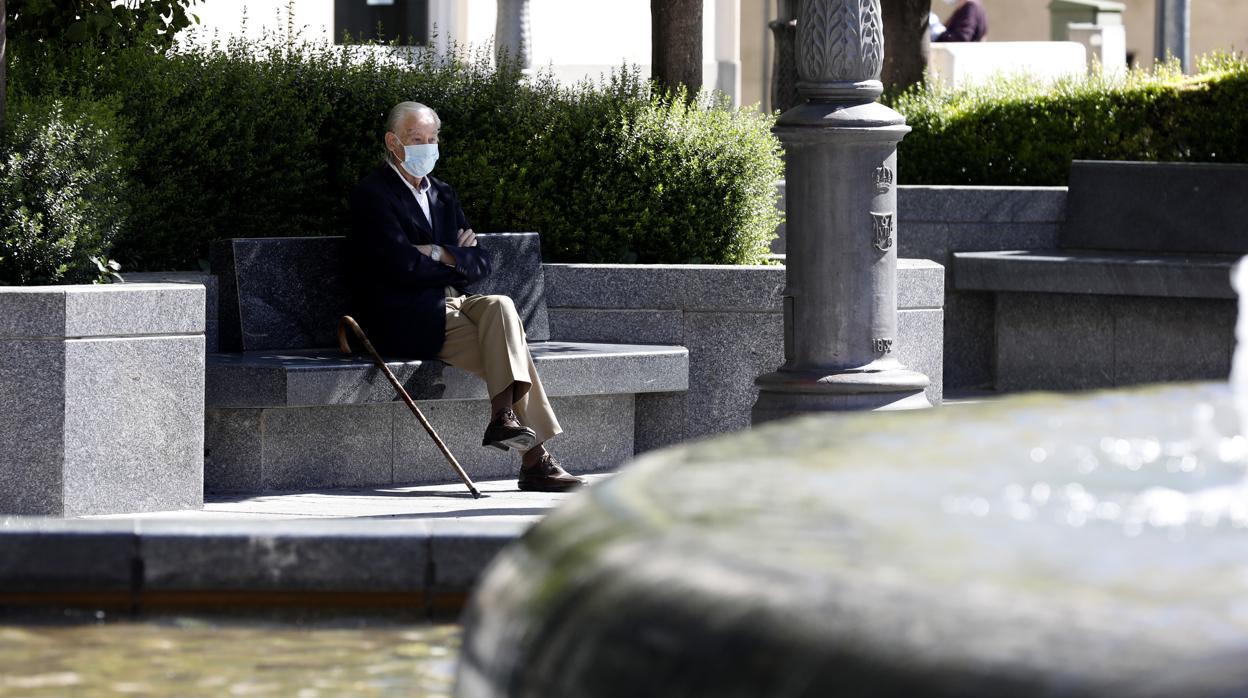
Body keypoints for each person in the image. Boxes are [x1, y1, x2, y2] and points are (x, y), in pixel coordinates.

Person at [346, 101, 586, 493]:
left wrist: (437, 252)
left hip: (454, 305)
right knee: (513, 354)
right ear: (393, 143)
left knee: (502, 305)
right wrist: (455, 256)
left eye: (432, 139)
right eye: (415, 139)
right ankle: (534, 460)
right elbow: (400, 267)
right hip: (406, 314)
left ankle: (503, 419)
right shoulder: (374, 195)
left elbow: (481, 264)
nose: (426, 147)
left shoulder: (443, 194)